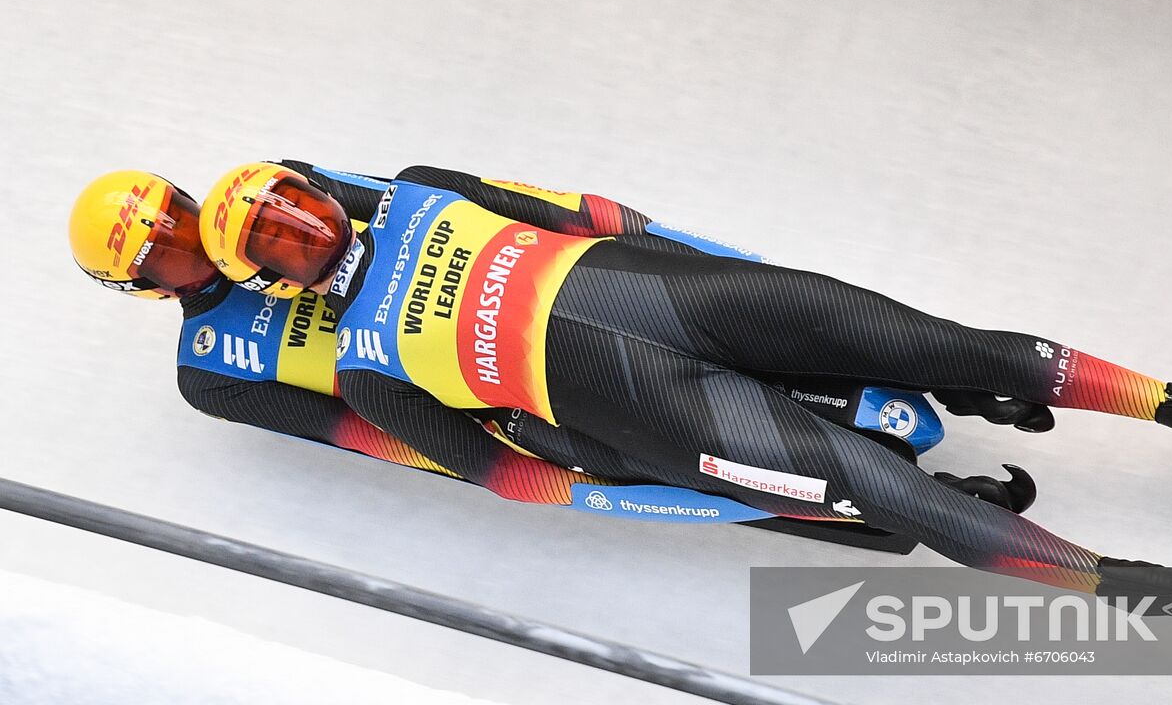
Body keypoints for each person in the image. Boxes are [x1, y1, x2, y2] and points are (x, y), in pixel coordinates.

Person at [199, 161, 1172, 620]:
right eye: (280, 242)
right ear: (270, 276)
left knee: (959, 344)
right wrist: (618, 475)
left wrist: (692, 251)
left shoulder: (419, 193)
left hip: (683, 298)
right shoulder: (366, 364)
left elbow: (585, 216)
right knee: (899, 499)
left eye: (297, 204)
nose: (305, 230)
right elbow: (498, 470)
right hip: (647, 408)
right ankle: (1116, 582)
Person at [68, 165, 989, 546]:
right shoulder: (211, 373)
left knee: (743, 313)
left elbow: (430, 201)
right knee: (635, 447)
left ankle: (955, 371)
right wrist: (493, 467)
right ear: (149, 287)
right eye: (168, 256)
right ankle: (879, 509)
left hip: (517, 299)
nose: (193, 247)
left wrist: (621, 233)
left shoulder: (266, 197)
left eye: (184, 225)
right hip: (472, 394)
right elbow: (355, 430)